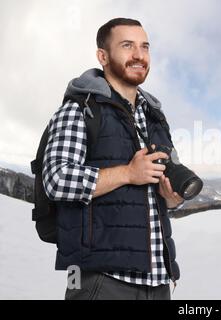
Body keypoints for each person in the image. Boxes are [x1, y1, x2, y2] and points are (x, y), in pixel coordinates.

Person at [42, 17, 183, 300]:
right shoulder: (80, 109)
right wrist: (128, 173)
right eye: (127, 45)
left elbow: (163, 198)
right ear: (102, 56)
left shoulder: (155, 117)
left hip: (158, 282)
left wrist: (172, 198)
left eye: (145, 46)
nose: (139, 55)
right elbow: (56, 179)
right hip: (99, 281)